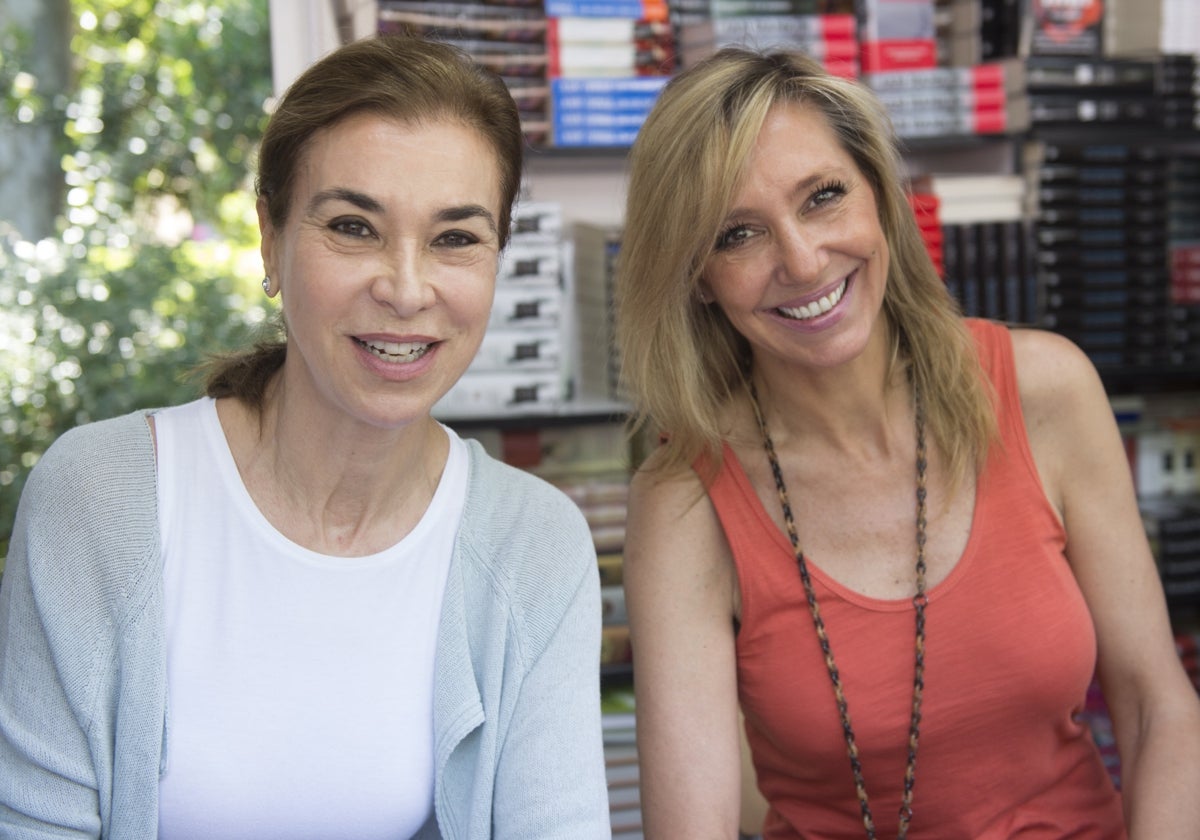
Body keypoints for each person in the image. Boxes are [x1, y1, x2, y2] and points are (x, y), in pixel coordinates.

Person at [0, 34, 612, 839]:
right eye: (354, 227)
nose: (405, 288)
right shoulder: (100, 496)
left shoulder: (535, 544)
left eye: (456, 237)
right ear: (270, 238)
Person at [616, 47, 1200, 839]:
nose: (801, 259)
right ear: (696, 276)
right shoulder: (685, 497)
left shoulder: (1045, 390)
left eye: (822, 198)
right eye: (738, 234)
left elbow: (1159, 707)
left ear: (881, 198)